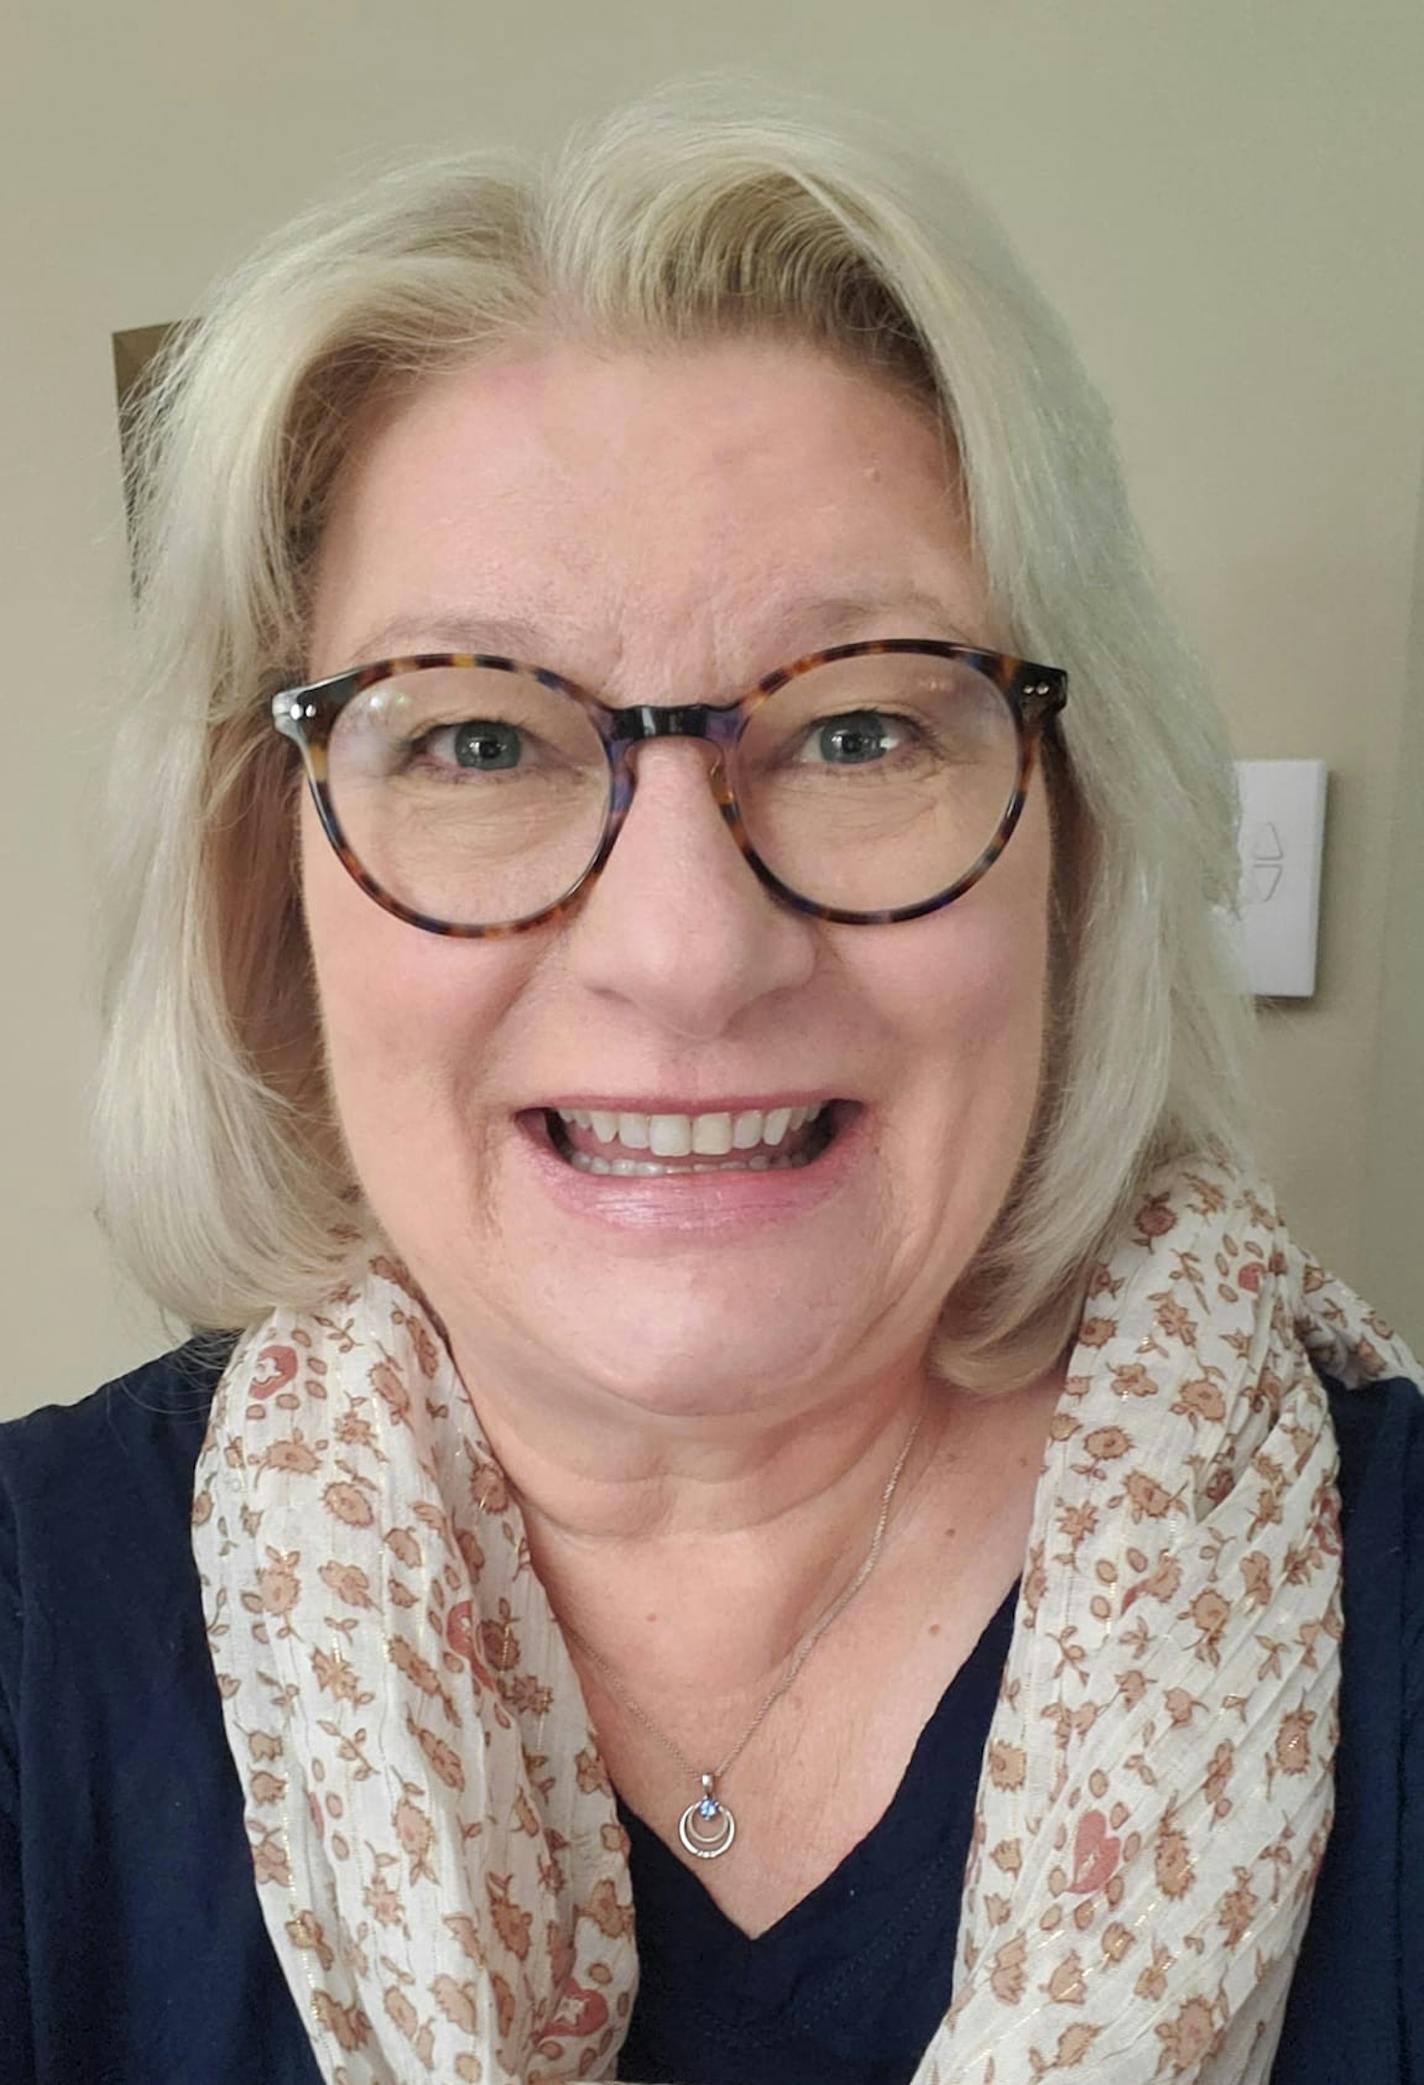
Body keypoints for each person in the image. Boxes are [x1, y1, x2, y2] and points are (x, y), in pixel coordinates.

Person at [1, 88, 1419, 2085]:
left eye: (857, 729)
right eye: (476, 744)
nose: (684, 952)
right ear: (270, 880)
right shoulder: (33, 1631)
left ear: (1077, 849)